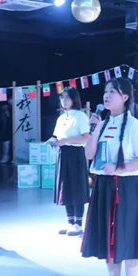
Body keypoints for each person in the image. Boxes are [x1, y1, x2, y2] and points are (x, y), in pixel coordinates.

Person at [82, 77, 138, 276]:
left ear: (125, 97)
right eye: (105, 91)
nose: (106, 95)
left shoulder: (135, 126)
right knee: (108, 235)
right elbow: (89, 155)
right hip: (104, 185)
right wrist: (94, 129)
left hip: (127, 186)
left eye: (112, 91)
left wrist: (119, 168)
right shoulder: (102, 124)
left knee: (129, 235)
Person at [49, 87, 90, 237]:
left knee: (77, 187)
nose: (64, 100)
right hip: (63, 154)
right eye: (62, 97)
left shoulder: (80, 116)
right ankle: (70, 221)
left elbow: (85, 137)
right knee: (65, 187)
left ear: (74, 99)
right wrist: (52, 142)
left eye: (67, 97)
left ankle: (78, 224)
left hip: (76, 154)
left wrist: (67, 140)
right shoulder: (61, 118)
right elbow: (56, 136)